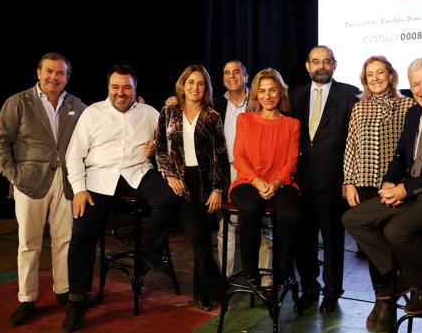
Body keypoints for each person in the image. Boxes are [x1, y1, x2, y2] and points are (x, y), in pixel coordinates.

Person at [342, 58, 422, 330]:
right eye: (416, 84)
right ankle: (398, 274)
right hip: (411, 191)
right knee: (353, 219)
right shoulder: (414, 113)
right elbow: (401, 156)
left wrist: (405, 188)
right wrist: (390, 182)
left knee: (396, 231)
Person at [62, 64, 181, 332]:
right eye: (115, 87)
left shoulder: (149, 113)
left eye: (127, 87)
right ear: (108, 88)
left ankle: (152, 249)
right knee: (81, 236)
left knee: (170, 198)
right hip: (99, 179)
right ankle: (77, 300)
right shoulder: (92, 113)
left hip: (137, 172)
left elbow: (168, 142)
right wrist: (79, 189)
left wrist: (155, 147)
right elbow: (73, 154)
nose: (121, 92)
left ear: (135, 89)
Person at [0, 52, 86, 327]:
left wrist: (137, 104)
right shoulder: (19, 102)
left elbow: (100, 127)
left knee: (64, 241)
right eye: (50, 72)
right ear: (39, 73)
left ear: (67, 77)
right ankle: (26, 299)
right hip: (29, 183)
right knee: (28, 244)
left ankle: (64, 292)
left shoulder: (77, 105)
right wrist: (14, 175)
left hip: (66, 183)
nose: (55, 77)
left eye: (61, 73)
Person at [342, 55, 414, 329]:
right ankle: (382, 297)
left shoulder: (407, 105)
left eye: (380, 72)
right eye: (370, 74)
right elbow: (351, 147)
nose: (375, 78)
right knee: (371, 244)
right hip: (363, 183)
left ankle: (391, 294)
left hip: (393, 187)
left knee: (390, 238)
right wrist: (348, 181)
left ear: (391, 76)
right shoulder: (359, 108)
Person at [290, 45, 359, 313]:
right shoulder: (294, 96)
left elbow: (355, 140)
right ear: (308, 66)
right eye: (315, 61)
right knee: (303, 239)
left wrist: (349, 178)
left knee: (332, 240)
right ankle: (309, 287)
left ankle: (332, 292)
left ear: (334, 65)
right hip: (300, 181)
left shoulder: (350, 94)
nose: (321, 66)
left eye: (326, 61)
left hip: (333, 180)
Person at [155, 64, 230, 311]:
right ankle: (216, 287)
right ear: (182, 85)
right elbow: (160, 149)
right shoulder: (168, 112)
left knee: (203, 240)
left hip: (205, 182)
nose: (195, 88)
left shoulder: (212, 116)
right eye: (191, 83)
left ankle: (203, 291)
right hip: (180, 181)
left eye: (200, 83)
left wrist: (218, 189)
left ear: (206, 87)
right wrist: (169, 176)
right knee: (197, 239)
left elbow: (220, 154)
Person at [230, 68, 301, 288]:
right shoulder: (245, 119)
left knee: (290, 215)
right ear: (256, 94)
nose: (267, 96)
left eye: (273, 90)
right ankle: (251, 273)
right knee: (250, 208)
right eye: (262, 91)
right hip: (248, 181)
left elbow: (291, 161)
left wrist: (277, 182)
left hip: (280, 182)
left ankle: (282, 273)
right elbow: (239, 157)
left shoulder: (292, 124)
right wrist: (258, 181)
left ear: (281, 93)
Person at [214, 60, 273, 283]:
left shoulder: (260, 101)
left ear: (246, 77)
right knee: (226, 228)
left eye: (236, 72)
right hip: (227, 170)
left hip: (258, 172)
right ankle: (225, 280)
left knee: (264, 225)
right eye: (226, 72)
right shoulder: (217, 104)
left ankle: (265, 280)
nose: (231, 76)